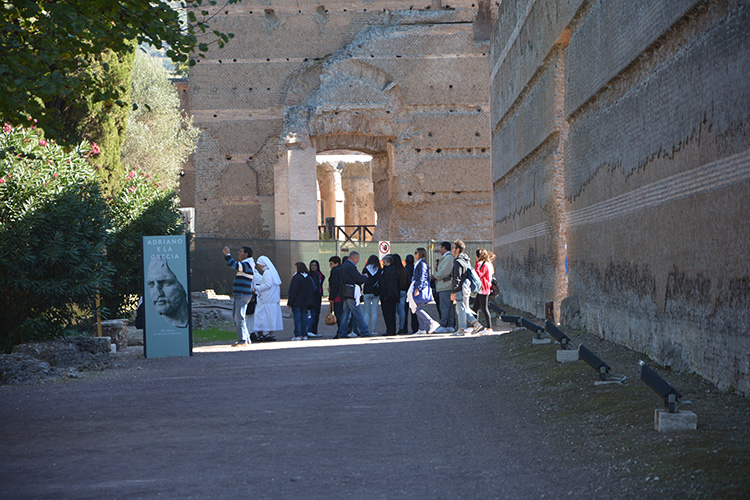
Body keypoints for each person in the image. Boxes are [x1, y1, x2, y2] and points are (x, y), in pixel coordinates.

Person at [222, 246, 255, 346]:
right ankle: (247, 338)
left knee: (238, 317)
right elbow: (232, 264)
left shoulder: (247, 264)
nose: (238, 253)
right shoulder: (247, 263)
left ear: (246, 254)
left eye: (241, 251)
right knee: (239, 317)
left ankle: (242, 340)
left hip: (242, 294)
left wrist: (228, 254)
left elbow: (233, 265)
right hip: (241, 293)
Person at [337, 251, 374, 338]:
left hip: (346, 291)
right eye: (357, 259)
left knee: (345, 314)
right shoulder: (350, 266)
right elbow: (357, 278)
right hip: (352, 292)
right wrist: (364, 277)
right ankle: (364, 331)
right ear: (355, 258)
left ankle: (342, 332)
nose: (357, 261)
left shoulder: (345, 266)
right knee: (357, 312)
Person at [450, 240, 483, 335]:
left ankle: (461, 329)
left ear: (458, 249)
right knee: (463, 307)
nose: (452, 249)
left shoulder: (458, 262)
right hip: (466, 288)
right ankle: (475, 323)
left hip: (459, 288)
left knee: (460, 308)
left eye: (453, 247)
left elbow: (457, 278)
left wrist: (453, 291)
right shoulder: (466, 260)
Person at [146, 257, 189, 328]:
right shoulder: (152, 324)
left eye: (166, 283)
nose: (158, 293)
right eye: (151, 284)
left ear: (182, 285)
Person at [409, 247, 440, 334]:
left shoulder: (422, 264)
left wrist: (418, 288)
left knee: (416, 308)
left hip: (420, 287)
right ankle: (422, 329)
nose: (414, 254)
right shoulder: (420, 263)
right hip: (418, 286)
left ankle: (431, 322)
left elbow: (422, 277)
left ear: (420, 253)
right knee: (419, 307)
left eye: (416, 252)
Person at [253, 256, 284, 337]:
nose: (259, 266)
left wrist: (257, 288)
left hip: (267, 298)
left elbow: (267, 284)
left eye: (259, 264)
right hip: (272, 298)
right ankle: (270, 333)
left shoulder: (267, 272)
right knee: (271, 317)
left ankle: (265, 333)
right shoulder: (272, 272)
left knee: (263, 316)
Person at [288, 262, 317, 340]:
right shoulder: (309, 278)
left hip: (297, 302)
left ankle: (297, 335)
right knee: (304, 318)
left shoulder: (296, 277)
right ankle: (304, 334)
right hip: (306, 302)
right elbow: (314, 289)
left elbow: (292, 291)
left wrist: (290, 302)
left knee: (297, 318)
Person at [432, 241, 456, 333]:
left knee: (444, 306)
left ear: (444, 248)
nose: (440, 250)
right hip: (445, 285)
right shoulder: (447, 258)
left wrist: (436, 275)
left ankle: (444, 325)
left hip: (445, 285)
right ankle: (450, 325)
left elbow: (444, 271)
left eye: (441, 248)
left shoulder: (448, 258)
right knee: (448, 306)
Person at [473, 248, 496, 333]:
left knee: (484, 308)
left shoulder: (485, 265)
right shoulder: (486, 264)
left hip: (484, 288)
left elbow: (478, 274)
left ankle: (489, 328)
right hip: (482, 288)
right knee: (475, 307)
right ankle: (474, 325)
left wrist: (477, 264)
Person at [378, 255, 401, 336]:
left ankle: (390, 329)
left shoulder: (387, 271)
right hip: (392, 296)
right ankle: (392, 329)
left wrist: (385, 294)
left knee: (388, 314)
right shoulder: (394, 270)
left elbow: (386, 284)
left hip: (387, 296)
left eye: (384, 262)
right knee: (391, 313)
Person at [361, 254, 382, 333]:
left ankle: (366, 330)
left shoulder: (365, 269)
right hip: (376, 292)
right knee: (374, 311)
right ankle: (373, 330)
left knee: (366, 312)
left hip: (367, 291)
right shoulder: (379, 269)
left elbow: (362, 279)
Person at [391, 253, 409, 334]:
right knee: (402, 311)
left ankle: (393, 328)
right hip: (403, 291)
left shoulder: (392, 270)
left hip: (394, 292)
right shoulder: (403, 270)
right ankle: (401, 328)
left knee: (394, 311)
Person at [308, 260, 325, 338]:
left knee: (317, 314)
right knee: (313, 314)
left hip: (318, 297)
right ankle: (310, 330)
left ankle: (315, 330)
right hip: (312, 297)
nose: (313, 267)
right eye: (312, 265)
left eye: (314, 265)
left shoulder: (320, 274)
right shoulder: (309, 275)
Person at [403, 253, 420, 334]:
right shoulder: (415, 268)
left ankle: (404, 328)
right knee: (414, 311)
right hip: (414, 291)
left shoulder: (404, 269)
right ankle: (415, 328)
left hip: (406, 291)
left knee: (404, 312)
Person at [328, 255, 344, 337]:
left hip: (337, 296)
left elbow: (334, 285)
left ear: (336, 263)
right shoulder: (343, 270)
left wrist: (331, 297)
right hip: (343, 295)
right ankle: (344, 330)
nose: (330, 266)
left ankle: (340, 331)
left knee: (338, 314)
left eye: (331, 264)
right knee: (343, 314)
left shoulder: (335, 271)